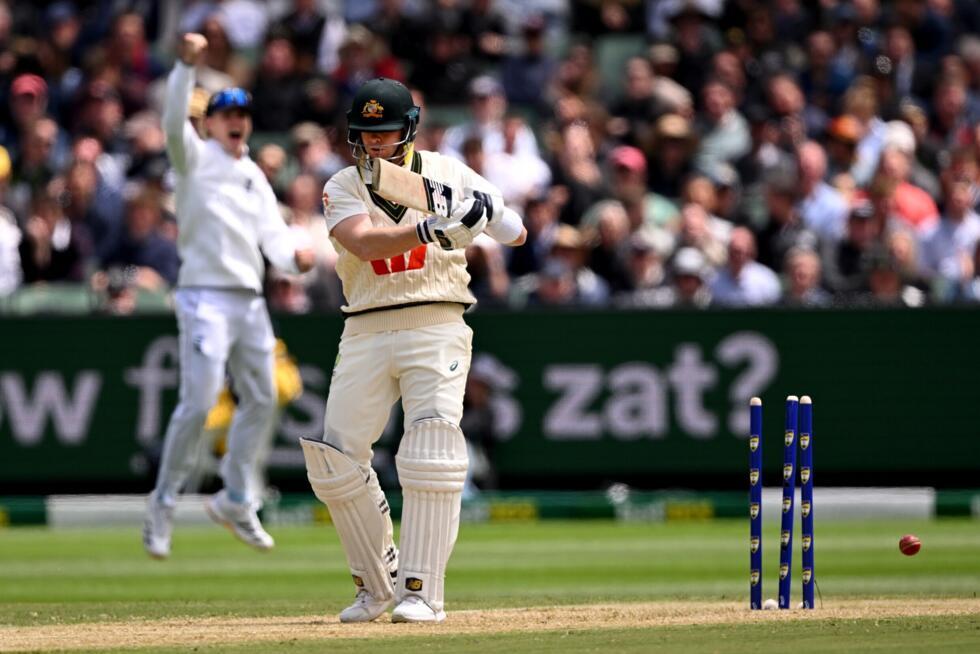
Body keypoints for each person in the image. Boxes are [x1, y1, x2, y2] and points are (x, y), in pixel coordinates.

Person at [299, 77, 526, 625]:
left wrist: (481, 209)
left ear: (408, 130)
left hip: (436, 319)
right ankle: (376, 587)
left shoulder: (448, 171)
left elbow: (515, 233)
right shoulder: (341, 185)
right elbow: (364, 242)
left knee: (430, 447)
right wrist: (430, 226)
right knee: (333, 461)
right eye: (365, 134)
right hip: (366, 326)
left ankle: (422, 592)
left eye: (385, 133)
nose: (375, 144)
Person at [142, 33, 315, 560]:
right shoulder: (191, 160)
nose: (236, 119)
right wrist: (186, 66)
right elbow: (173, 121)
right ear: (209, 123)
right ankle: (163, 503)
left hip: (249, 301)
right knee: (197, 403)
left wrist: (296, 261)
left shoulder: (253, 177)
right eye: (225, 112)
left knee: (263, 396)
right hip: (203, 299)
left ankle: (237, 497)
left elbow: (274, 238)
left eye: (242, 112)